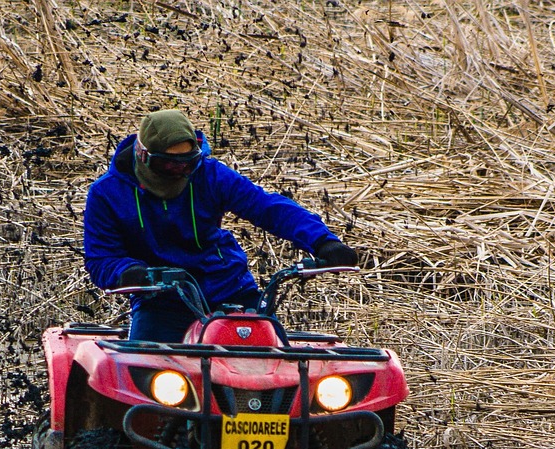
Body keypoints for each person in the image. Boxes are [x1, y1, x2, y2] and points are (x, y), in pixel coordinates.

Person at [83, 109, 358, 342]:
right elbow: (101, 259)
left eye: (187, 164)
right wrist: (128, 272)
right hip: (161, 300)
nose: (180, 172)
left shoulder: (210, 175)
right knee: (139, 376)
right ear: (144, 156)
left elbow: (266, 207)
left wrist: (322, 241)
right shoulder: (107, 194)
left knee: (282, 366)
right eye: (169, 165)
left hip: (230, 289)